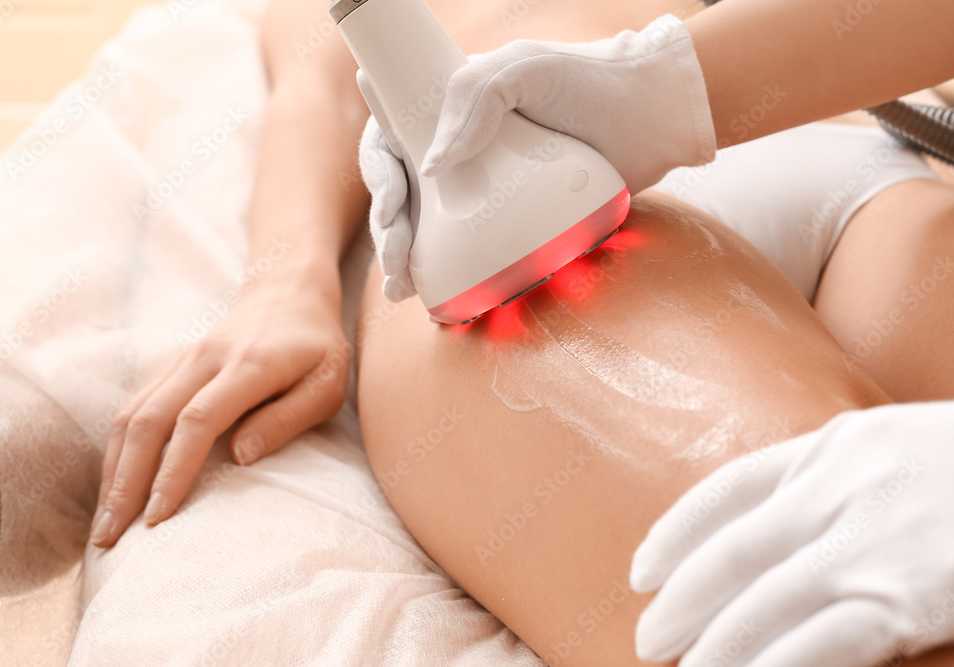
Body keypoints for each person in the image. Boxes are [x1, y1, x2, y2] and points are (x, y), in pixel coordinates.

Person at [89, 0, 954, 664]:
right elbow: (314, 95)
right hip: (513, 234)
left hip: (864, 167)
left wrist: (662, 85)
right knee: (832, 607)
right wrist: (284, 283)